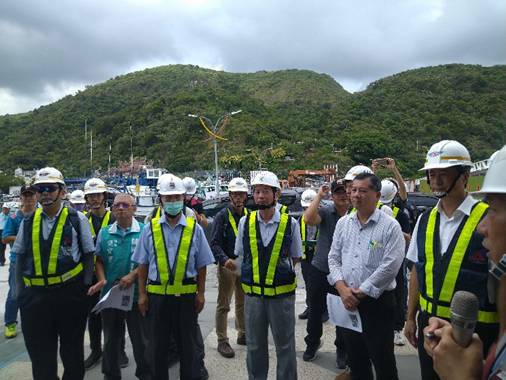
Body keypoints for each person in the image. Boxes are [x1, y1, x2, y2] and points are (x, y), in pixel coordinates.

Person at [404, 140, 499, 380]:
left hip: (477, 330)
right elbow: (417, 269)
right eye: (431, 174)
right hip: (429, 325)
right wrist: (410, 317)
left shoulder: (489, 219)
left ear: (464, 176)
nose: (435, 180)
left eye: (443, 174)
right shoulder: (425, 220)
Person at [13, 167, 95, 380]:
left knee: (72, 353)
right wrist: (19, 296)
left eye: (50, 188)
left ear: (62, 191)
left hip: (69, 295)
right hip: (35, 297)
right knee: (41, 356)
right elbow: (19, 257)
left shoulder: (77, 219)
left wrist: (84, 290)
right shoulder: (28, 221)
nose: (45, 193)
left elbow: (88, 255)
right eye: (40, 189)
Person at [133, 174, 214, 380]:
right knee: (157, 349)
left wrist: (201, 293)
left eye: (176, 197)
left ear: (184, 198)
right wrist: (142, 294)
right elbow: (142, 264)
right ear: (160, 200)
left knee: (188, 349)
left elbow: (202, 264)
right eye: (168, 198)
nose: (172, 202)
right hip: (157, 298)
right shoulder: (149, 229)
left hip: (186, 298)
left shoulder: (194, 228)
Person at [328, 172, 405, 380]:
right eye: (353, 190)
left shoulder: (390, 226)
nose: (356, 195)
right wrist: (342, 289)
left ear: (377, 195)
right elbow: (333, 258)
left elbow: (391, 266)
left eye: (363, 191)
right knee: (357, 360)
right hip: (348, 303)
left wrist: (361, 292)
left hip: (377, 303)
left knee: (383, 361)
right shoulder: (344, 223)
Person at [235, 170, 302, 379]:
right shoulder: (245, 223)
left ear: (276, 195)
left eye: (265, 191)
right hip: (254, 297)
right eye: (257, 191)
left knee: (285, 346)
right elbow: (242, 255)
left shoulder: (290, 224)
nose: (260, 196)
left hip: (281, 298)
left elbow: (296, 257)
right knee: (254, 347)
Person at [88, 193, 151, 380]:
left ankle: (146, 374)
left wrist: (133, 276)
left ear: (134, 208)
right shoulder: (105, 232)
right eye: (117, 205)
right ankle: (111, 375)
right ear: (112, 209)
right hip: (111, 295)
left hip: (137, 296)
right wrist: (101, 279)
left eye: (125, 205)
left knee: (141, 341)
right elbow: (98, 259)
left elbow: (149, 261)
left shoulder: (145, 231)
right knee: (110, 341)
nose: (121, 208)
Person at [303, 180, 349, 368]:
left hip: (345, 271)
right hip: (321, 268)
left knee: (342, 312)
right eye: (338, 192)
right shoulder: (326, 210)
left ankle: (342, 349)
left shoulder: (356, 212)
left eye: (345, 191)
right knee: (315, 309)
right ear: (332, 195)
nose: (342, 195)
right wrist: (319, 196)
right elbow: (308, 219)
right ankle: (312, 344)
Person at [83, 177, 126, 370]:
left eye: (97, 195)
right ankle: (96, 350)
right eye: (90, 196)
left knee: (117, 314)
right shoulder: (82, 220)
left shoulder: (115, 217)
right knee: (93, 316)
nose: (94, 199)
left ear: (104, 196)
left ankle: (120, 350)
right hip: (91, 277)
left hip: (112, 275)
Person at [209, 177, 248, 358]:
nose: (238, 198)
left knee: (243, 302)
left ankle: (243, 333)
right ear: (230, 196)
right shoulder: (222, 216)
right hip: (227, 265)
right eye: (235, 194)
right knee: (224, 304)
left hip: (244, 264)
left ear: (246, 196)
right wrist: (224, 260)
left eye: (241, 194)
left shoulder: (249, 215)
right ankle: (222, 340)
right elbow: (215, 243)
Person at [380, 178, 412, 346]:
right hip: (379, 257)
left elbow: (408, 238)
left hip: (397, 259)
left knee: (399, 292)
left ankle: (397, 329)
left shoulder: (400, 213)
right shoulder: (375, 209)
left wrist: (394, 229)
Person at [2, 185, 37, 338]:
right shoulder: (14, 218)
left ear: (36, 197)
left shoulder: (41, 216)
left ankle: (36, 321)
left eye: (31, 195)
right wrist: (22, 237)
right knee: (15, 292)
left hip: (37, 260)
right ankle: (10, 323)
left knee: (37, 292)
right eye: (25, 195)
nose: (28, 198)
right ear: (21, 198)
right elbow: (5, 238)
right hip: (18, 261)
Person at [298, 189, 318, 320]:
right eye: (305, 207)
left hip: (319, 257)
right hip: (306, 256)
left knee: (319, 285)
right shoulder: (300, 219)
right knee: (308, 284)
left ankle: (322, 310)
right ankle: (310, 307)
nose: (307, 210)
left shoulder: (322, 218)